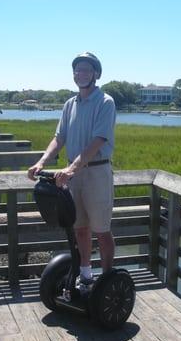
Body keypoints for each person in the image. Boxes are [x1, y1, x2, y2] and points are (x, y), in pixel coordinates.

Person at [28, 52, 116, 293]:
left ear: (96, 74)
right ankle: (86, 276)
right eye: (77, 70)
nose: (81, 74)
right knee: (79, 227)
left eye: (86, 70)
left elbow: (98, 140)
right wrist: (42, 161)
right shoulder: (70, 104)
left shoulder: (105, 102)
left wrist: (71, 168)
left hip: (96, 172)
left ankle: (108, 281)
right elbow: (60, 137)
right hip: (72, 175)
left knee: (101, 229)